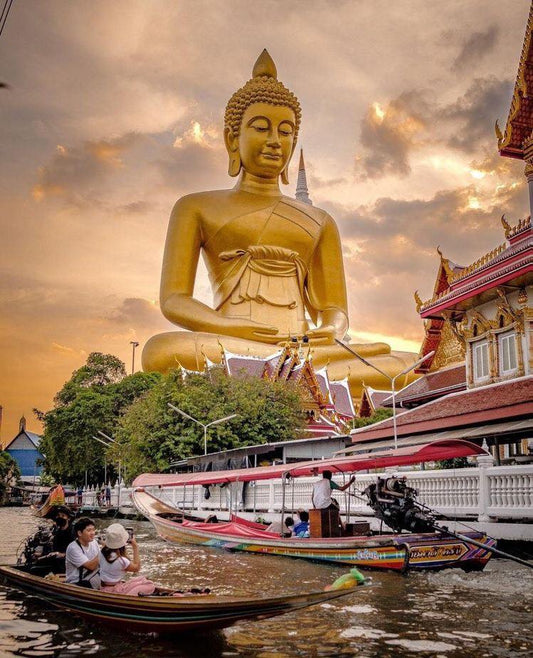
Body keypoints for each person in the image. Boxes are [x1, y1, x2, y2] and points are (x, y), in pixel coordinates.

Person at [141, 49, 416, 400]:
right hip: (235, 343)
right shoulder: (195, 207)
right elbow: (175, 300)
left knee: (407, 364)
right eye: (261, 128)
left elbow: (335, 310)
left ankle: (285, 371)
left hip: (307, 349)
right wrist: (230, 327)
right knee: (161, 351)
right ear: (232, 139)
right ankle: (283, 371)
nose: (275, 140)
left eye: (285, 132)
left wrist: (330, 330)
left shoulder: (319, 221)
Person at [99, 523, 156, 596]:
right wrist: (135, 547)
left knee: (142, 579)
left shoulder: (102, 552)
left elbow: (107, 548)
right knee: (150, 585)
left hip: (104, 587)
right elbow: (137, 567)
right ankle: (127, 596)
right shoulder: (121, 560)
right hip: (116, 590)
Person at [30, 505, 75, 574]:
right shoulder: (57, 531)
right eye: (58, 516)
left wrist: (63, 554)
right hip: (55, 558)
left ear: (68, 518)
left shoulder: (73, 532)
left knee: (35, 569)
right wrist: (41, 554)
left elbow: (75, 552)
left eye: (63, 516)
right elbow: (53, 548)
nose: (60, 518)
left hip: (66, 562)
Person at [65, 517, 100, 588]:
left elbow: (100, 562)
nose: (93, 533)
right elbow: (91, 566)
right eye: (89, 530)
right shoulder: (73, 548)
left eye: (93, 530)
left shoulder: (94, 542)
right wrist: (104, 550)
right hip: (77, 583)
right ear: (79, 533)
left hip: (91, 577)